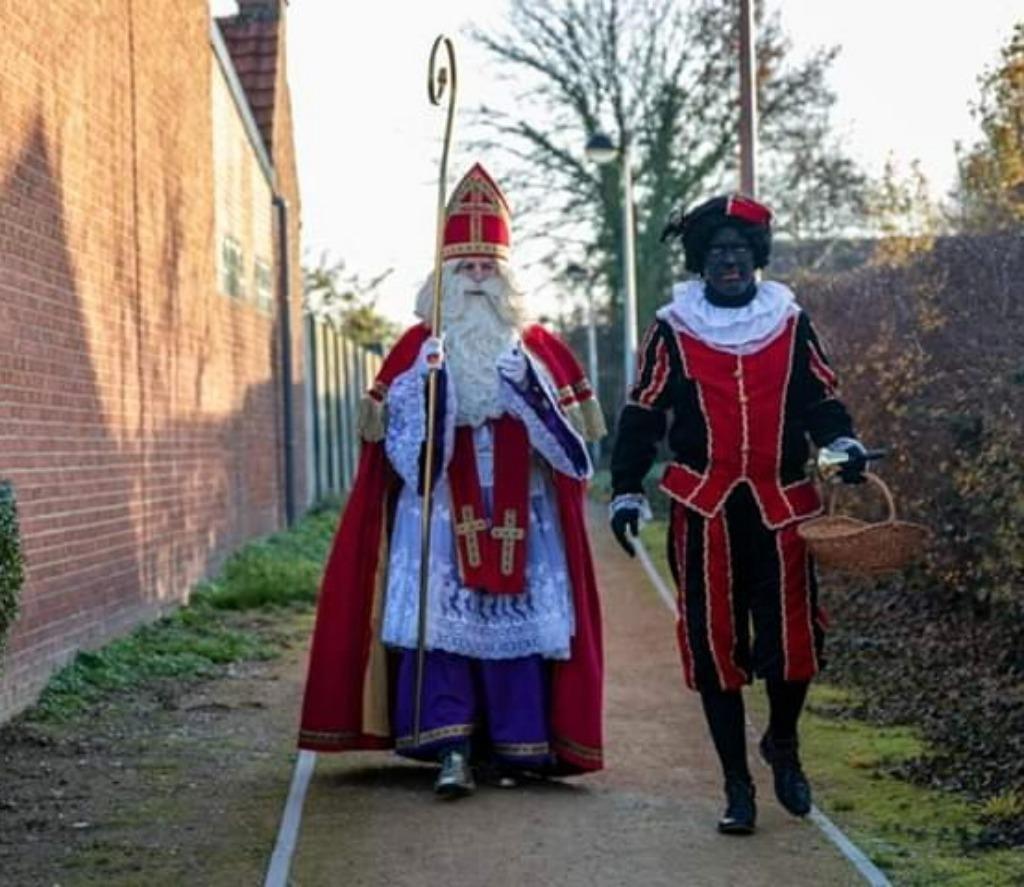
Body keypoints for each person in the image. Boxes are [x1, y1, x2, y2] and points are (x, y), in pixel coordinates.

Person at [299, 164, 605, 798]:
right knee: (441, 629)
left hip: (527, 510)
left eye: (486, 267)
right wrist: (430, 390)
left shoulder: (539, 348)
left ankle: (518, 746)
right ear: (441, 276)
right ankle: (450, 750)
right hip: (438, 514)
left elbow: (574, 458)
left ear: (507, 276)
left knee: (516, 631)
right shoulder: (419, 347)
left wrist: (526, 392)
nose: (474, 280)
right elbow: (403, 460)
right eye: (463, 268)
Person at [609, 194, 869, 834]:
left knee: (794, 642)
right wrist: (625, 489)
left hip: (782, 507)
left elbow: (821, 399)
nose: (729, 261)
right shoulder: (674, 328)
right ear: (702, 262)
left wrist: (843, 441)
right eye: (717, 252)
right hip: (705, 510)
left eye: (739, 251)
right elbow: (644, 414)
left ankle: (783, 743)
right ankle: (736, 786)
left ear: (756, 259)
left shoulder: (790, 320)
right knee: (713, 643)